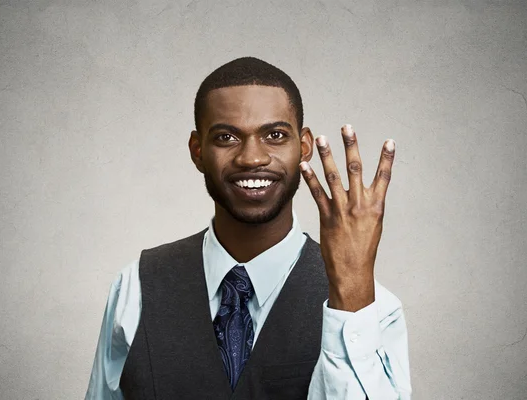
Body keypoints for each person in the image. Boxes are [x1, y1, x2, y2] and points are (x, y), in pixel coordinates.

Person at [85, 57, 412, 399]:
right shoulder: (135, 288)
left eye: (274, 135)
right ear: (198, 151)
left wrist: (349, 298)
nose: (252, 158)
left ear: (303, 146)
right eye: (226, 137)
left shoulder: (373, 306)